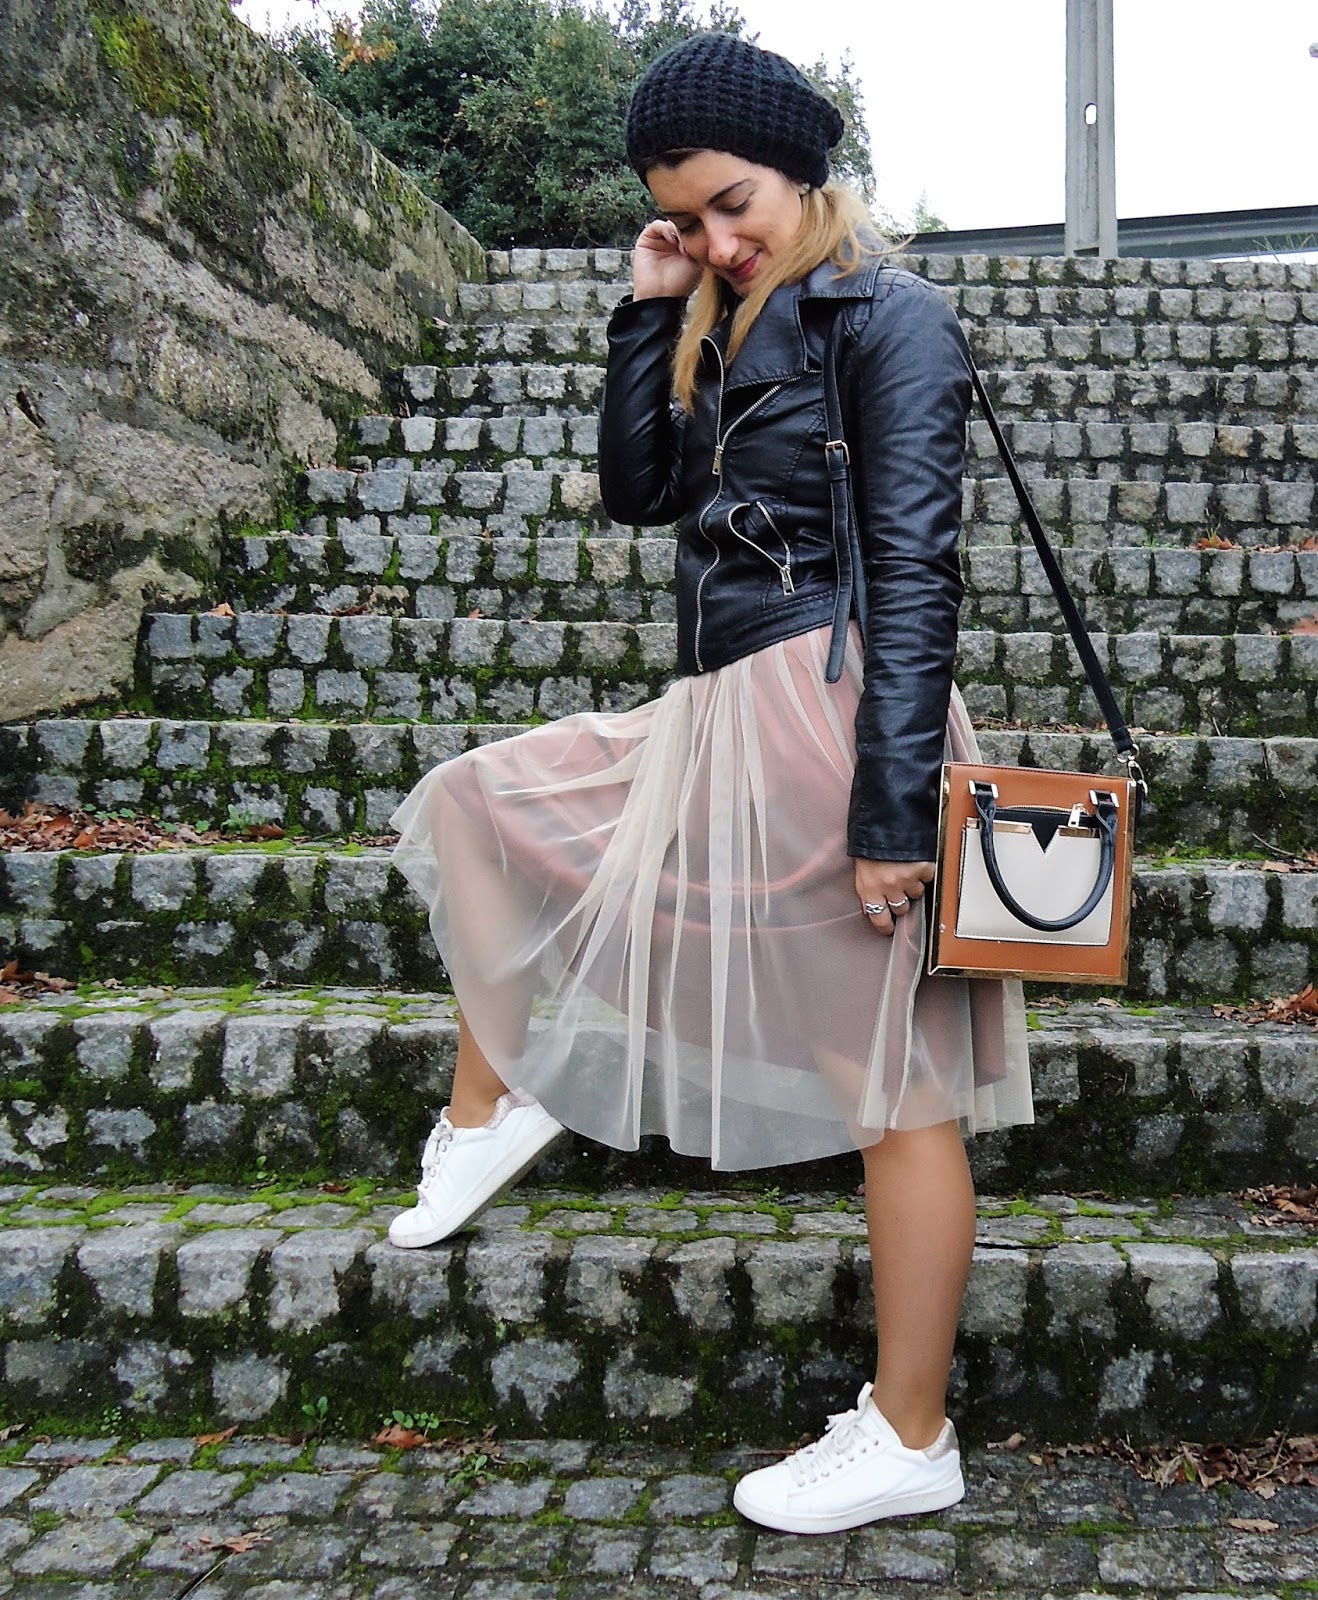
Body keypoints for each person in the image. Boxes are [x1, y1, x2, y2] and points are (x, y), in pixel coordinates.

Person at [387, 32, 1033, 1535]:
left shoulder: (890, 316)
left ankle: (910, 1434)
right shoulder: (725, 314)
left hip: (838, 718)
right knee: (478, 804)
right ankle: (499, 1103)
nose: (720, 238)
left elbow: (918, 573)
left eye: (735, 204)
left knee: (891, 1091)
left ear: (804, 168)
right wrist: (649, 307)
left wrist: (893, 816)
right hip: (725, 713)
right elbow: (639, 492)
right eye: (687, 216)